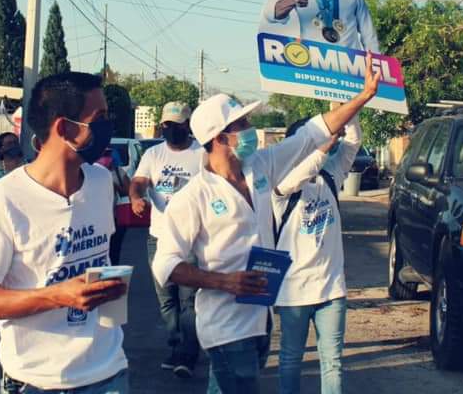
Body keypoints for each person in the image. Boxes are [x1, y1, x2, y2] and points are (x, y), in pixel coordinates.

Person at [151, 58, 379, 394]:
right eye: (241, 124)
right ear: (219, 138)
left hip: (260, 320)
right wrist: (224, 282)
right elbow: (165, 264)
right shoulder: (194, 197)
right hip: (226, 328)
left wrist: (363, 96)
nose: (249, 130)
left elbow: (313, 133)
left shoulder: (259, 168)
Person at [0, 72, 129, 394]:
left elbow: (101, 258)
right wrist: (58, 296)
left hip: (109, 372)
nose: (108, 126)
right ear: (64, 128)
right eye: (100, 118)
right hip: (38, 381)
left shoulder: (100, 182)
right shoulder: (3, 199)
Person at [273, 115, 361, 394]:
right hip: (294, 291)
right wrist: (321, 147)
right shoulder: (282, 185)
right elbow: (297, 175)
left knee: (332, 363)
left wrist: (348, 109)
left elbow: (353, 143)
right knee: (290, 359)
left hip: (331, 289)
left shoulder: (330, 177)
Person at [128, 101, 202, 378]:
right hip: (158, 238)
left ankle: (188, 354)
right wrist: (136, 197)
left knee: (189, 300)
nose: (171, 129)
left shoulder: (201, 154)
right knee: (166, 298)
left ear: (187, 125)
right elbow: (138, 181)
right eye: (166, 125)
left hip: (192, 240)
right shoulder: (153, 154)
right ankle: (176, 344)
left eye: (177, 125)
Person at [97, 148, 130, 265]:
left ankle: (112, 277)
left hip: (115, 219)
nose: (106, 157)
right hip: (96, 221)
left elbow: (127, 191)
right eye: (103, 154)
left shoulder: (117, 171)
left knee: (114, 253)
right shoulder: (89, 172)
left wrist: (115, 186)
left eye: (108, 154)